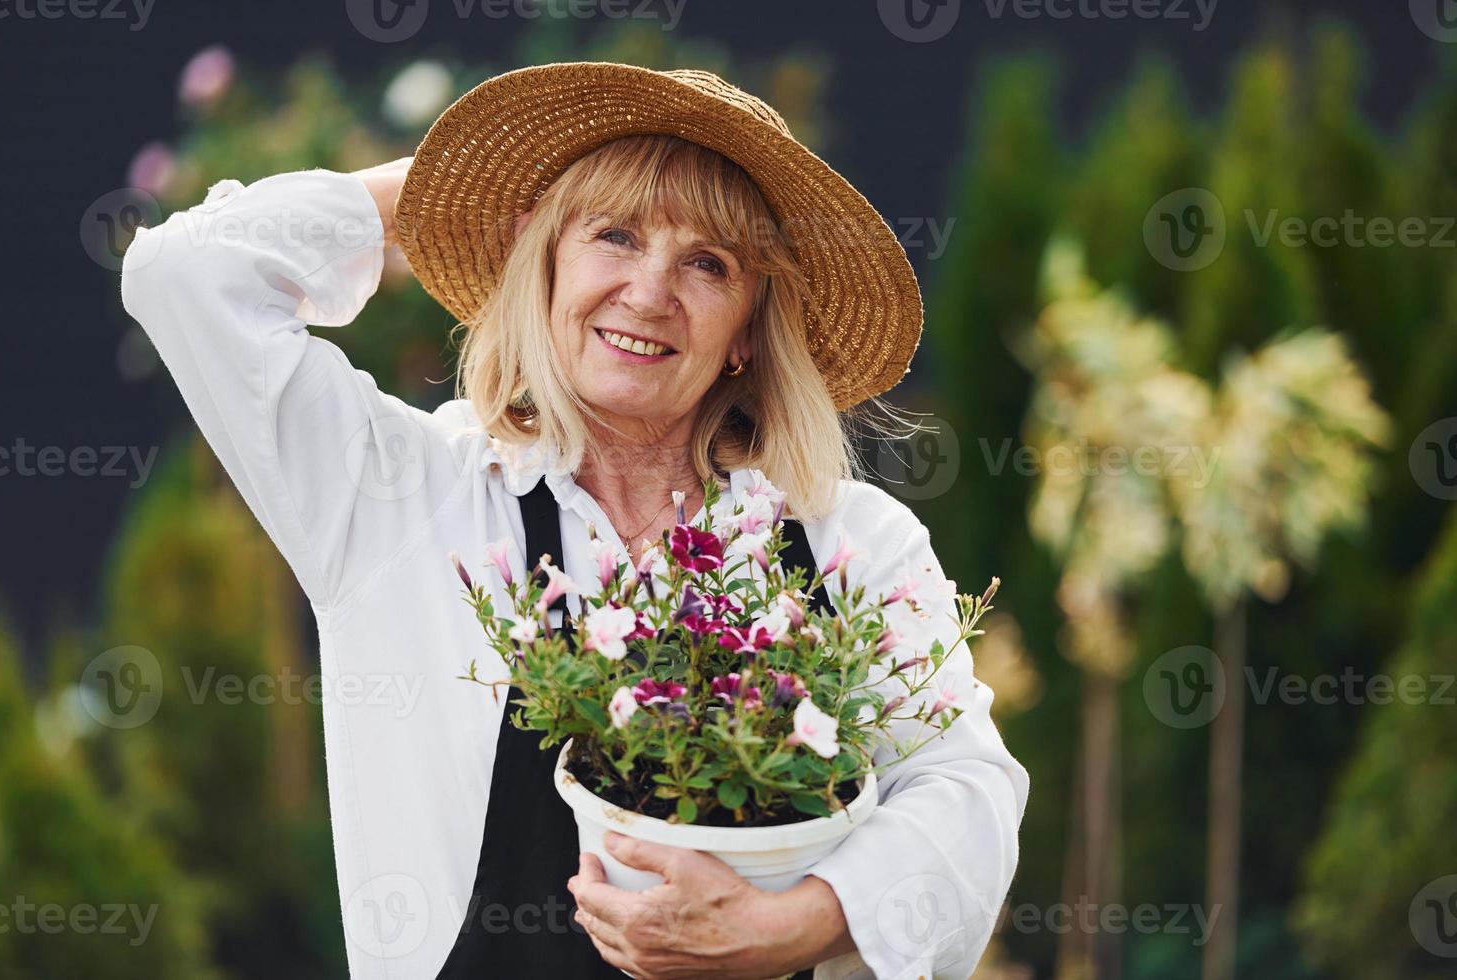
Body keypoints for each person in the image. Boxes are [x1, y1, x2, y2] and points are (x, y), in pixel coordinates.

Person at [121, 62, 1028, 980]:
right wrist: (442, 193)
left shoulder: (848, 546)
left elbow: (966, 793)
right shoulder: (400, 497)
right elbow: (184, 274)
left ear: (748, 329)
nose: (647, 292)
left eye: (706, 264)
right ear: (543, 255)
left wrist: (790, 927)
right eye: (613, 235)